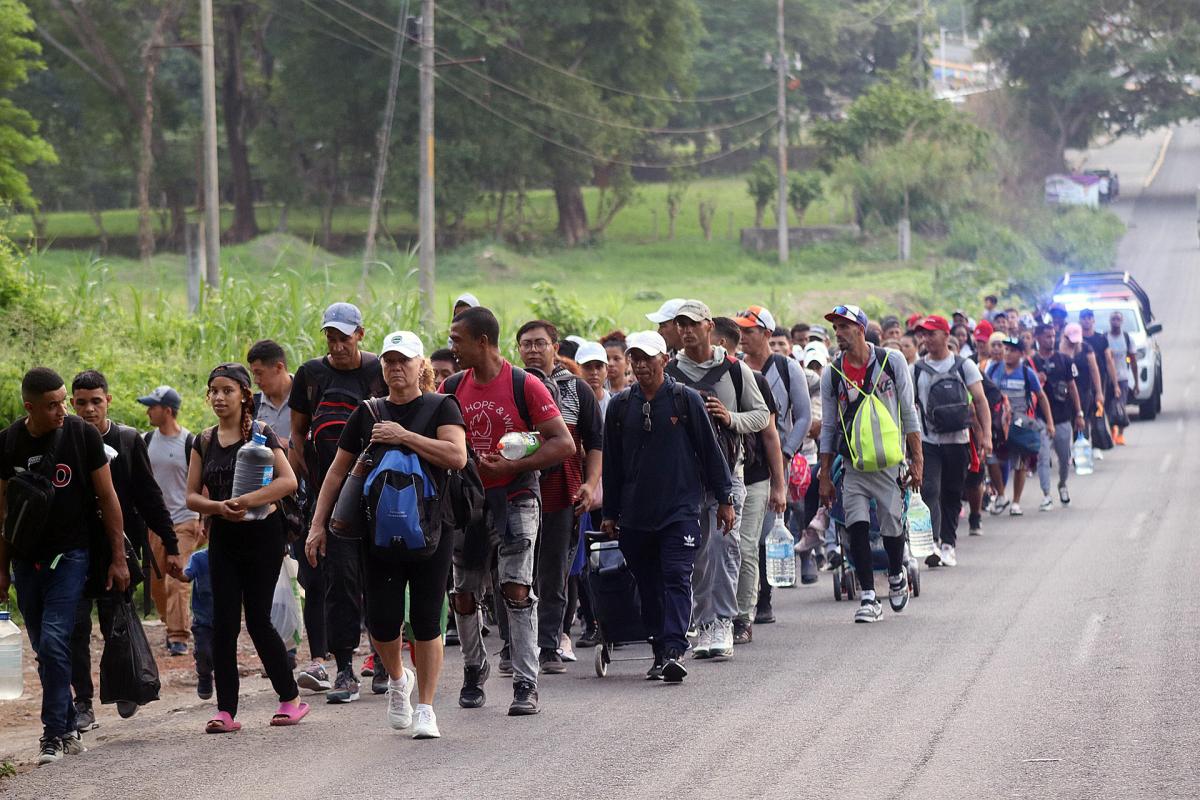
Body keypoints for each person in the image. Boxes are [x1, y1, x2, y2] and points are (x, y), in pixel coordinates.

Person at [306, 331, 467, 739]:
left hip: (433, 529)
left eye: (404, 361)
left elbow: (457, 456)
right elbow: (337, 472)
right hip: (377, 532)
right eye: (390, 361)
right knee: (382, 621)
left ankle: (427, 707)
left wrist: (404, 436)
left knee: (427, 620)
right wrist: (317, 525)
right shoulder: (367, 413)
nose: (396, 368)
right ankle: (398, 680)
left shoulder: (441, 407)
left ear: (419, 367)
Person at [442, 306, 575, 716]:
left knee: (516, 589)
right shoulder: (451, 386)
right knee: (463, 594)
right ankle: (473, 668)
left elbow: (563, 443)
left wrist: (513, 465)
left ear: (482, 341)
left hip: (516, 498)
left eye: (457, 339)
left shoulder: (526, 385)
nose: (452, 347)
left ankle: (525, 682)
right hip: (467, 503)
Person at [0, 367, 129, 764]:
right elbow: (2, 514)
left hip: (71, 556)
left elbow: (108, 499)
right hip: (26, 560)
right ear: (30, 407)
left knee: (55, 640)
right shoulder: (7, 444)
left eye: (63, 402)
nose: (63, 410)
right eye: (53, 405)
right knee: (44, 646)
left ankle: (53, 734)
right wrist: (2, 571)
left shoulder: (82, 435)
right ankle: (69, 722)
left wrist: (119, 559)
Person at [601, 331, 735, 682]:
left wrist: (725, 499)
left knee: (677, 576)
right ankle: (660, 649)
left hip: (680, 509)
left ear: (664, 359)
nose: (641, 365)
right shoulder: (619, 407)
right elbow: (612, 465)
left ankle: (675, 649)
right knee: (647, 584)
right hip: (635, 515)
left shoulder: (684, 400)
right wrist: (609, 514)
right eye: (636, 358)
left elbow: (710, 451)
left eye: (648, 358)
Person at [186, 363, 304, 733]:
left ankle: (290, 699)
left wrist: (249, 499)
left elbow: (288, 481)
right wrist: (218, 508)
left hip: (263, 535)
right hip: (223, 536)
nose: (219, 398)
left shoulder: (262, 434)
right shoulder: (203, 441)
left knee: (256, 618)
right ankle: (226, 711)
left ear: (243, 395)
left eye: (227, 391)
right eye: (214, 391)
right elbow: (191, 496)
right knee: (224, 623)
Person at [69, 371, 184, 730]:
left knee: (115, 623)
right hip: (74, 549)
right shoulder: (66, 439)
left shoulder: (128, 440)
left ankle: (124, 684)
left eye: (96, 401)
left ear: (109, 401)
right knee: (75, 629)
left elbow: (150, 498)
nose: (89, 409)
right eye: (82, 402)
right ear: (73, 403)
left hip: (116, 551)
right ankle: (83, 702)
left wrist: (172, 544)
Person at [289, 302, 386, 702]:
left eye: (344, 337)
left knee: (381, 577)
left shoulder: (378, 369)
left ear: (360, 334)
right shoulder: (311, 374)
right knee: (339, 580)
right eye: (331, 337)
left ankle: (384, 660)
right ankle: (345, 667)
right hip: (329, 492)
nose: (337, 345)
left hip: (378, 492)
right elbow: (298, 432)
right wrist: (308, 481)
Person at [667, 300, 769, 659]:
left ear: (709, 326)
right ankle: (703, 622)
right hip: (684, 480)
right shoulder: (669, 373)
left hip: (728, 476)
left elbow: (761, 417)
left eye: (693, 323)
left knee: (724, 549)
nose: (686, 330)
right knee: (693, 552)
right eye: (681, 324)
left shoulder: (734, 370)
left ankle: (722, 621)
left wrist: (729, 418)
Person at [818, 306, 923, 623]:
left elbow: (908, 412)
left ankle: (895, 574)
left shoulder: (892, 363)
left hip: (889, 463)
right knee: (856, 526)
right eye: (835, 328)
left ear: (860, 329)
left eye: (843, 327)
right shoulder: (832, 373)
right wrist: (825, 475)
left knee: (892, 526)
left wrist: (916, 460)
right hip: (853, 465)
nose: (838, 334)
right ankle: (867, 596)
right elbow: (828, 427)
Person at [515, 320, 603, 676]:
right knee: (515, 572)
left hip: (562, 493)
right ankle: (514, 647)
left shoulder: (577, 390)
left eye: (540, 343)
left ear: (555, 347)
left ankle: (549, 644)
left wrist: (590, 483)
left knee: (554, 572)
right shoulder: (512, 385)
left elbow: (595, 442)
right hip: (516, 490)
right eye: (526, 344)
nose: (533, 350)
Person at [711, 318, 786, 641]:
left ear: (726, 345)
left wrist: (779, 486)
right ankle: (711, 615)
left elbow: (770, 437)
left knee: (744, 546)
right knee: (712, 548)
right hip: (712, 478)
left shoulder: (751, 379)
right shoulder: (691, 377)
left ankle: (743, 616)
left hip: (753, 477)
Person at [733, 305, 810, 619]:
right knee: (744, 532)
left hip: (777, 458)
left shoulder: (787, 367)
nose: (742, 338)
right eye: (739, 332)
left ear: (766, 333)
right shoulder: (735, 368)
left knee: (766, 529)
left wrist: (787, 452)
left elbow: (803, 416)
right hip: (745, 457)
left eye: (749, 332)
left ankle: (763, 597)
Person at [911, 317, 991, 568]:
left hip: (958, 440)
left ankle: (948, 544)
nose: (926, 339)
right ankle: (933, 542)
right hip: (928, 440)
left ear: (946, 335)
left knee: (953, 492)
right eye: (923, 335)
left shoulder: (963, 365)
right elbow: (908, 407)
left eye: (931, 334)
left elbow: (980, 400)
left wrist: (986, 435)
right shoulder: (916, 369)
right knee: (930, 489)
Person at [986, 338, 1054, 516]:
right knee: (991, 459)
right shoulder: (993, 369)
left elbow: (1041, 397)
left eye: (1012, 350)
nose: (1007, 353)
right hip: (997, 425)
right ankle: (1001, 495)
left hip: (1019, 425)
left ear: (1021, 354)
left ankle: (1016, 502)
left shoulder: (1027, 373)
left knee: (1020, 464)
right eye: (1006, 349)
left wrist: (1050, 423)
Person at [1033, 324, 1084, 508]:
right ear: (1037, 338)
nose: (1051, 339)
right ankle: (1046, 494)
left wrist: (1079, 413)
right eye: (1047, 336)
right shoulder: (1031, 363)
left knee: (1064, 458)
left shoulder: (1064, 361)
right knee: (1043, 457)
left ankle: (1062, 484)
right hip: (1040, 419)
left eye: (1053, 336)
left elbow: (1072, 388)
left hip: (1062, 417)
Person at [177, 547, 214, 700]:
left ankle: (227, 693)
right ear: (205, 533)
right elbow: (187, 576)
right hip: (203, 620)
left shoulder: (234, 554)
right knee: (204, 652)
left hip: (227, 619)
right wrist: (177, 574)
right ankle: (204, 676)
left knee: (224, 655)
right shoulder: (199, 558)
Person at [1061, 322, 1103, 441]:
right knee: (1068, 421)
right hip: (1067, 393)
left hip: (1084, 391)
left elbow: (1094, 370)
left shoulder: (1086, 348)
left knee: (1082, 420)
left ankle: (1081, 447)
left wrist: (1099, 392)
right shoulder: (1060, 350)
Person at [1106, 310, 1138, 446]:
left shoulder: (1127, 338)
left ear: (1122, 321)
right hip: (1107, 379)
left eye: (1118, 319)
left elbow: (1133, 360)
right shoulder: (1105, 338)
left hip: (1123, 378)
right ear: (1110, 321)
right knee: (1109, 407)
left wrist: (1136, 383)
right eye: (1113, 319)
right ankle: (1112, 430)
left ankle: (1120, 434)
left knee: (1121, 406)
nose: (1115, 322)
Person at [576, 341, 612, 418]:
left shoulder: (614, 404)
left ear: (607, 370)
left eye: (598, 367)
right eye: (587, 366)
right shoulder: (570, 403)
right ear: (576, 369)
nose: (594, 372)